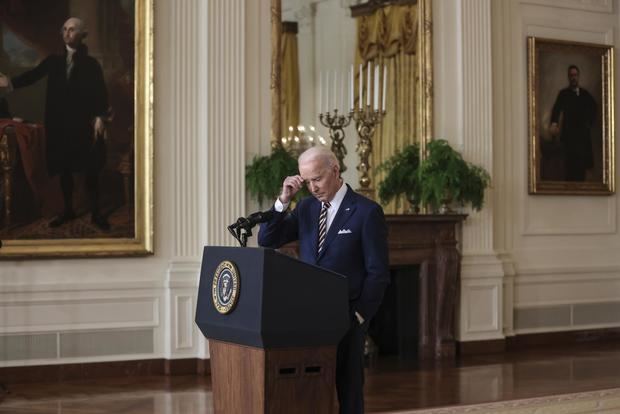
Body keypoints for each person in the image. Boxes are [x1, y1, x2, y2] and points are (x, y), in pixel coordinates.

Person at [258, 146, 390, 414]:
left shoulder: (367, 212)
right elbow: (267, 239)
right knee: (309, 385)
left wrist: (360, 316)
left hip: (348, 317)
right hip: (308, 316)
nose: (313, 187)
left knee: (349, 389)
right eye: (306, 182)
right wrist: (283, 201)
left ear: (335, 170)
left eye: (317, 179)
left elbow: (378, 272)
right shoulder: (306, 208)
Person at [0, 17, 110, 230]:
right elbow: (33, 76)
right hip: (59, 123)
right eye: (65, 30)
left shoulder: (91, 64)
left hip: (83, 124)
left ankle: (96, 212)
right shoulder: (53, 61)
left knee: (90, 169)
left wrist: (100, 117)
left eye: (73, 30)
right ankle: (68, 210)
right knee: (64, 168)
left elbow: (100, 93)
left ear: (82, 35)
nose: (68, 33)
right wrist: (9, 82)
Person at [549, 64, 597, 181]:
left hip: (582, 138)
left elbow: (594, 107)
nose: (573, 77)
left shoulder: (585, 94)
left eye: (575, 75)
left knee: (581, 169)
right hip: (569, 137)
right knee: (569, 168)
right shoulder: (563, 94)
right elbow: (556, 109)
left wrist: (589, 122)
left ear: (578, 76)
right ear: (568, 77)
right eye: (571, 75)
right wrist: (554, 123)